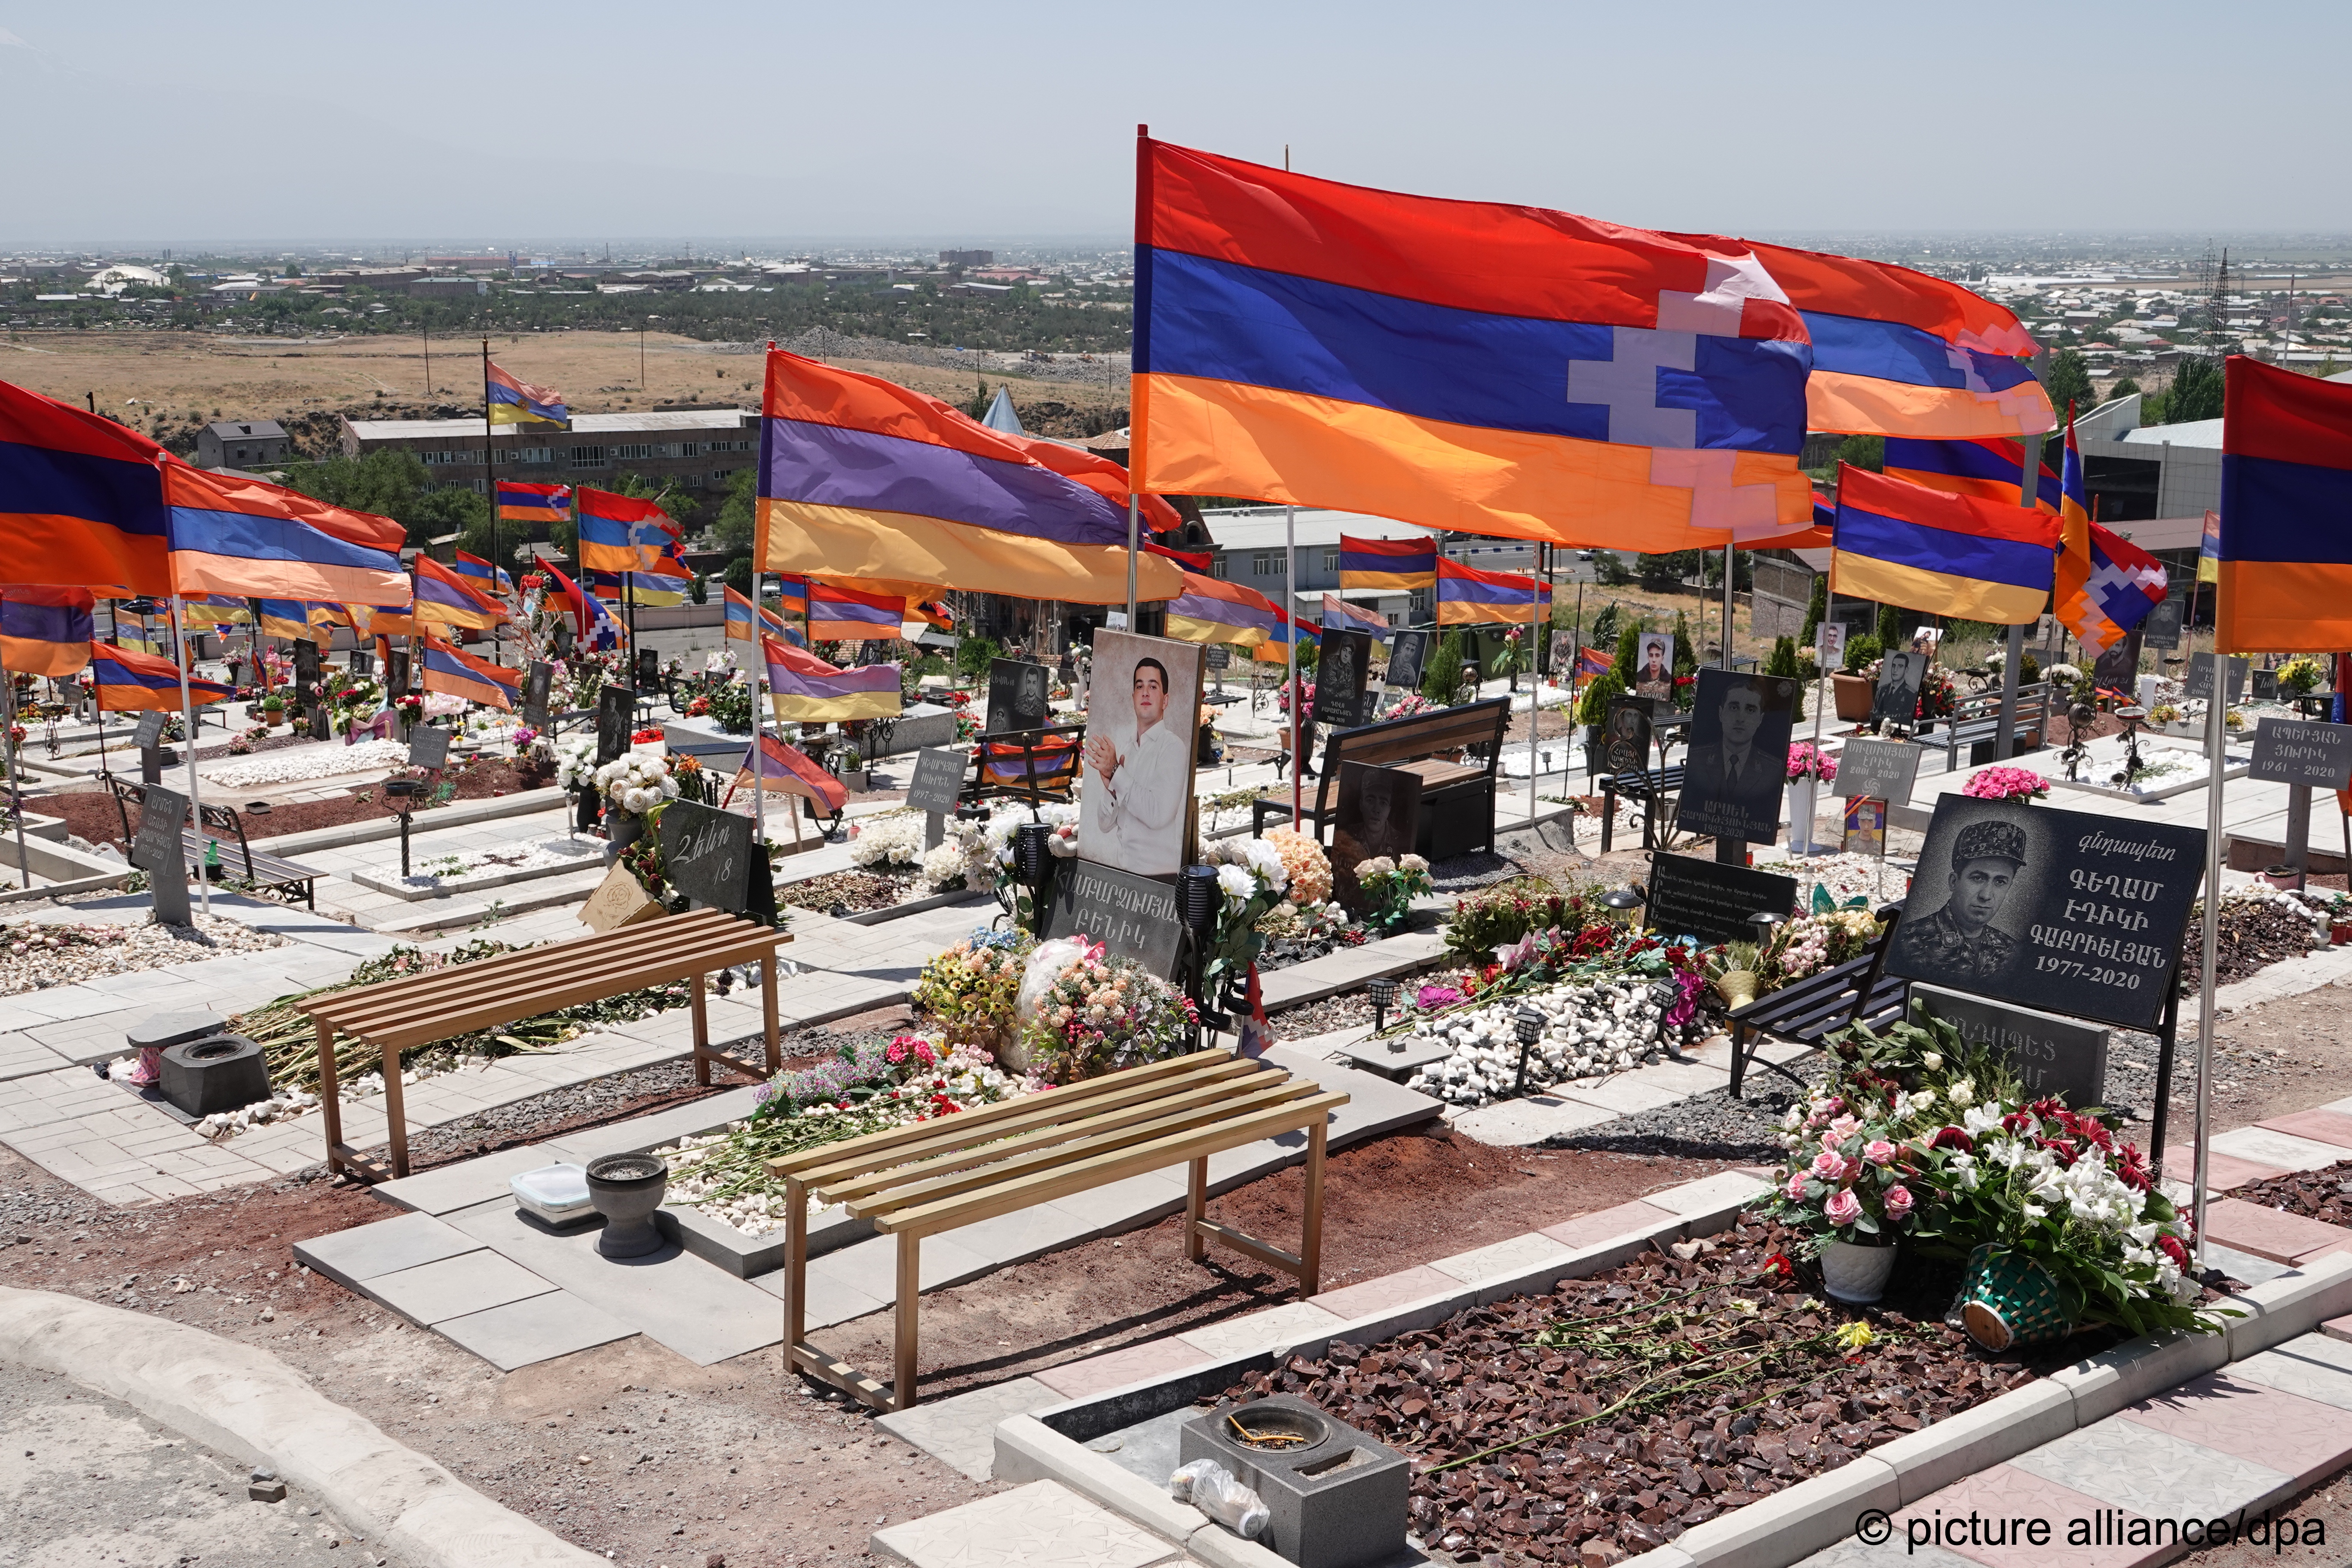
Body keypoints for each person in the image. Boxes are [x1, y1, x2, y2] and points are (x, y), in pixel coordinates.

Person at [1083, 655, 1189, 874]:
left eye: (1153, 686)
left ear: (1165, 700)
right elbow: (1104, 824)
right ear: (1133, 698)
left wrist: (1116, 773)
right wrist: (1111, 789)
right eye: (1139, 686)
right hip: (1122, 872)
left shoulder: (1173, 747)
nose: (1145, 693)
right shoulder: (1125, 750)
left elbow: (1157, 814)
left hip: (1158, 877)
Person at [1895, 819, 2026, 981]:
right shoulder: (1908, 942)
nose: (1986, 895)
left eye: (2000, 882)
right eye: (1978, 878)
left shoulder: (2012, 950)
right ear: (1954, 882)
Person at [1681, 676, 1781, 835]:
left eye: (1750, 710)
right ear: (1721, 713)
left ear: (1760, 719)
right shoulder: (1696, 761)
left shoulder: (1773, 770)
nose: (1740, 718)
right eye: (1734, 708)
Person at [1634, 635, 1674, 701]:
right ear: (1648, 658)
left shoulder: (1669, 681)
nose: (1654, 660)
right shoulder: (1638, 679)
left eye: (1657, 656)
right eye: (1651, 655)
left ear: (1662, 659)